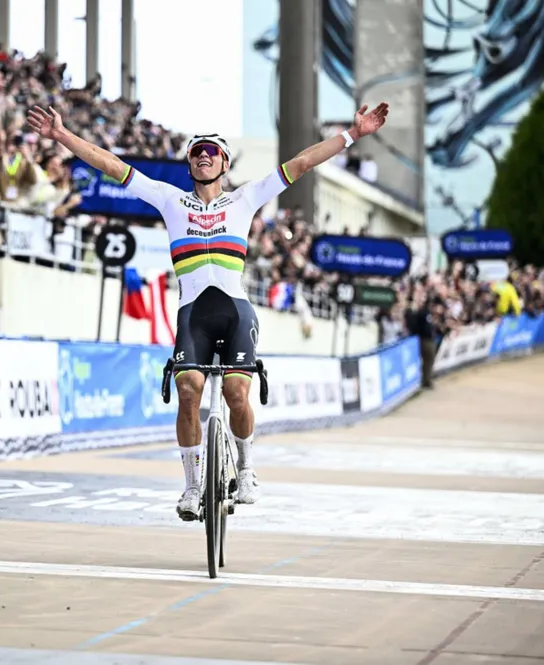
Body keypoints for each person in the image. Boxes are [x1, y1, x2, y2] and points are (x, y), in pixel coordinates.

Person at [27, 101, 390, 521]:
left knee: (237, 394)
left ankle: (248, 468)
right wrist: (62, 136)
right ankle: (192, 486)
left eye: (211, 151)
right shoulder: (169, 200)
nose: (203, 155)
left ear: (224, 162)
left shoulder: (245, 198)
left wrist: (352, 134)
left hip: (235, 310)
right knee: (187, 392)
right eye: (196, 151)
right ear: (188, 163)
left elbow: (303, 162)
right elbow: (112, 165)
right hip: (192, 314)